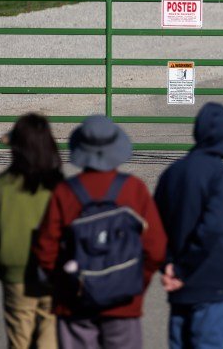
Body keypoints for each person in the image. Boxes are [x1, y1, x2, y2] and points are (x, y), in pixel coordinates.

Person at [33, 115, 166, 349]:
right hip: (124, 303)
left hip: (75, 301)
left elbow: (46, 250)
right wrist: (132, 281)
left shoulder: (65, 192)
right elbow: (155, 248)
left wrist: (66, 284)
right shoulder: (133, 189)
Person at [154, 103, 223, 349]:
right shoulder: (220, 176)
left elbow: (155, 224)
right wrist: (183, 269)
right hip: (211, 283)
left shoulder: (172, 172)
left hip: (178, 284)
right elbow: (212, 227)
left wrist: (168, 265)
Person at [0, 113, 64, 349]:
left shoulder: (2, 186)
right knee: (50, 334)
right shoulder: (58, 185)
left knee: (19, 336)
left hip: (15, 272)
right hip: (53, 270)